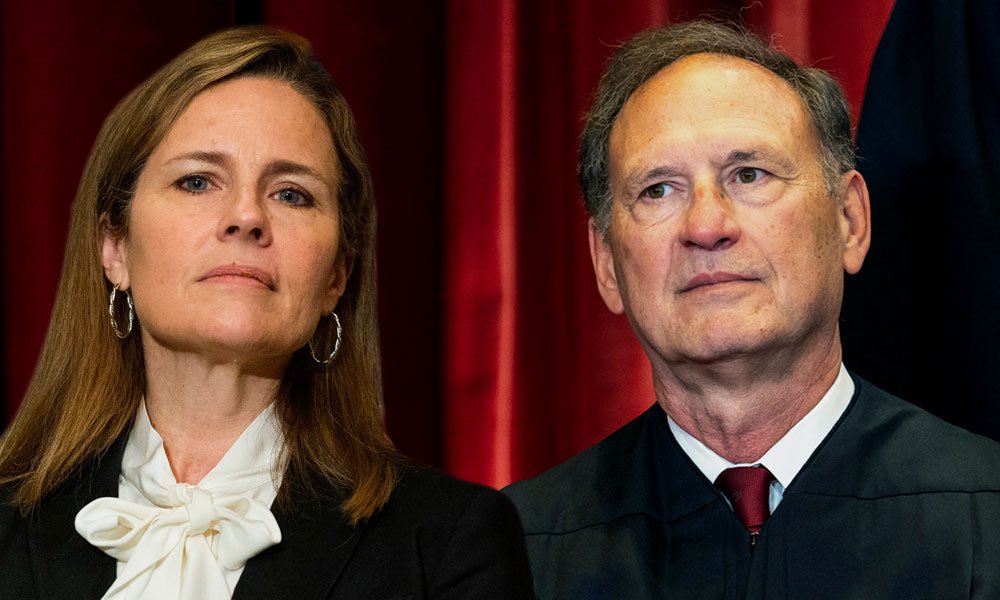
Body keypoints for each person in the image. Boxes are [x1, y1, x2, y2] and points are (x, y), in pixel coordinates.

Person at [0, 26, 533, 600]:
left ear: (337, 276)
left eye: (291, 194)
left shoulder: (445, 544)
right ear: (115, 248)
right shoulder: (10, 525)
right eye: (197, 181)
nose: (246, 216)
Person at [503, 20, 1000, 599]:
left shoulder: (984, 515)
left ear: (850, 221)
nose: (707, 226)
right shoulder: (522, 552)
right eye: (658, 189)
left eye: (749, 174)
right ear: (607, 263)